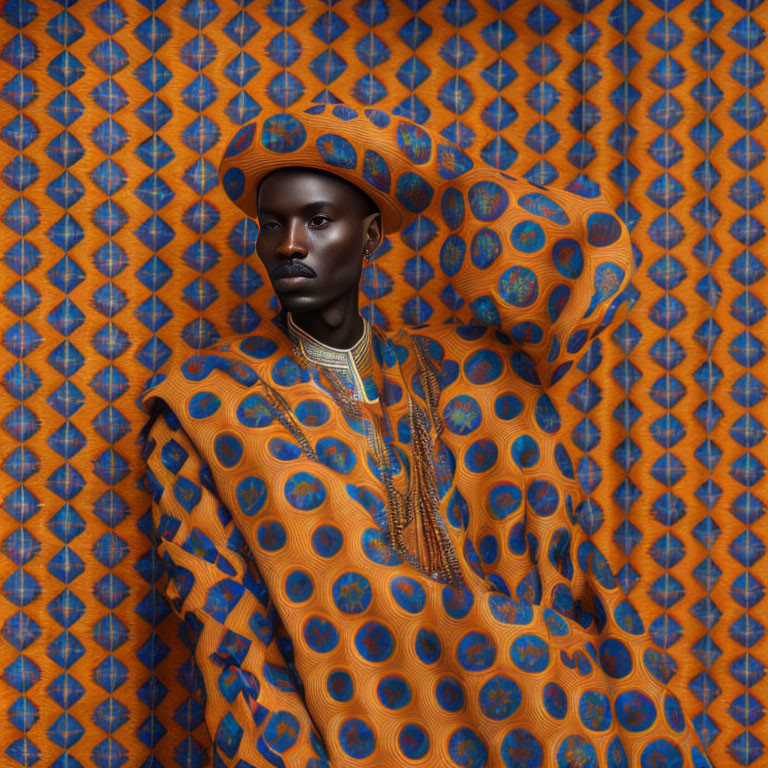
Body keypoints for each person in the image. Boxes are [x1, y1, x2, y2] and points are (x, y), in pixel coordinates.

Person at [141, 105, 712, 768]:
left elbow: (581, 258)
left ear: (373, 233)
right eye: (271, 226)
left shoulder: (466, 371)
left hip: (527, 718)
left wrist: (444, 180)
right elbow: (228, 634)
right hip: (346, 739)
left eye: (318, 220)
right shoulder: (209, 400)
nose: (290, 243)